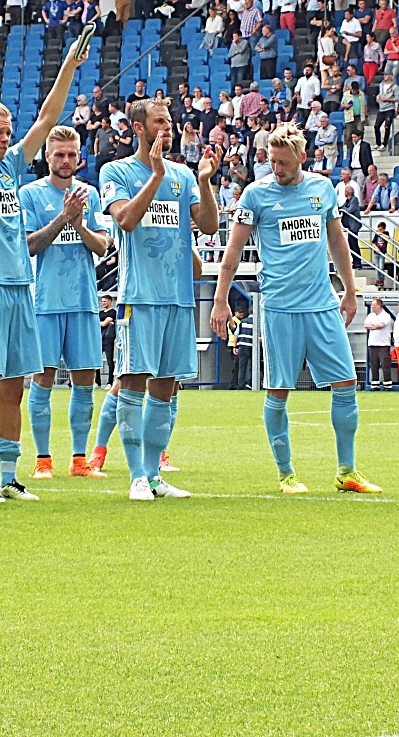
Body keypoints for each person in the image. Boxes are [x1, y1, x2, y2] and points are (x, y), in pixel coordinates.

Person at [0, 28, 94, 504]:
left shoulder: (11, 166)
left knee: (14, 387)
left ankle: (8, 477)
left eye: (9, 131)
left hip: (18, 287)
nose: (7, 137)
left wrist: (71, 63)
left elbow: (49, 114)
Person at [211, 124, 377, 492]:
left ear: (302, 157)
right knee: (279, 389)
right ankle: (286, 473)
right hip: (280, 307)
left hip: (321, 304)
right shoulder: (255, 195)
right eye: (272, 161)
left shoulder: (321, 189)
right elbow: (233, 251)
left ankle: (346, 470)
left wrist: (349, 291)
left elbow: (337, 241)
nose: (278, 168)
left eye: (284, 162)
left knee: (346, 384)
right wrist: (221, 299)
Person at [98, 87, 220, 501]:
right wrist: (155, 176)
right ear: (138, 128)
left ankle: (153, 475)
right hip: (139, 297)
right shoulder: (115, 173)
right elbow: (127, 221)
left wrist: (204, 183)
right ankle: (135, 475)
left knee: (165, 388)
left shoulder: (184, 175)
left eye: (169, 123)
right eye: (159, 123)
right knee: (131, 381)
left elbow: (207, 227)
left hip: (178, 297)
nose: (167, 129)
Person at [21, 125, 111, 481]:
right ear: (47, 156)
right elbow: (29, 245)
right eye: (59, 154)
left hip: (84, 300)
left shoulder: (89, 194)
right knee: (41, 380)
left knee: (84, 382)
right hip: (45, 300)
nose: (66, 160)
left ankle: (78, 460)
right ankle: (43, 459)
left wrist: (80, 222)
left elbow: (103, 246)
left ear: (80, 157)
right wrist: (62, 218)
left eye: (72, 154)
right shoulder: (30, 194)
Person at [363, 299, 394, 391]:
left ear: (379, 306)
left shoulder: (386, 315)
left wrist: (372, 325)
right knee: (374, 364)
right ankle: (375, 384)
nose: (372, 307)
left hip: (383, 344)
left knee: (385, 365)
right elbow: (366, 325)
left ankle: (387, 385)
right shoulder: (371, 315)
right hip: (372, 343)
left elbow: (381, 325)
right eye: (372, 305)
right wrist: (374, 325)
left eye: (374, 305)